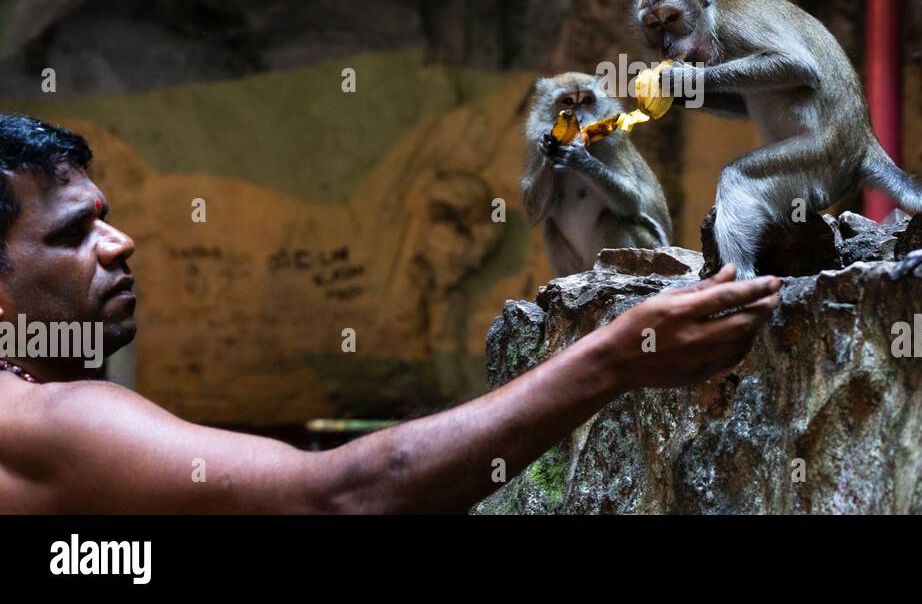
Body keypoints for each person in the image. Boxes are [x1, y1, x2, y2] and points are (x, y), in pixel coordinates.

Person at [0, 113, 780, 513]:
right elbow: (341, 496)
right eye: (73, 232)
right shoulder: (48, 420)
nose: (120, 241)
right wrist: (615, 358)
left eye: (105, 215)